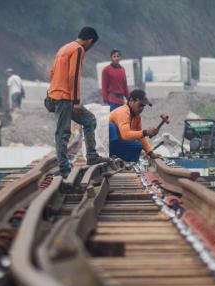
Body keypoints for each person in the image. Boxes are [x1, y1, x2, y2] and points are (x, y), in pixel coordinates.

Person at [47, 26, 109, 177]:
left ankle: (92, 156)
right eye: (91, 45)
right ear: (89, 41)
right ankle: (64, 169)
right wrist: (75, 101)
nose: (89, 48)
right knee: (63, 133)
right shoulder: (78, 49)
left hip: (55, 95)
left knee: (89, 120)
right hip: (64, 98)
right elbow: (73, 76)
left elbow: (51, 72)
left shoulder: (64, 48)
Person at [109, 89, 165, 162]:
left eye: (143, 106)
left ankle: (127, 162)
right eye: (140, 105)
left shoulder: (137, 117)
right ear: (131, 101)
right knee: (136, 146)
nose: (141, 108)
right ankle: (116, 158)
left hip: (116, 143)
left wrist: (150, 153)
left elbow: (141, 136)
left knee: (137, 145)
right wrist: (146, 132)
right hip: (107, 144)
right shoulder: (123, 112)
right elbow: (125, 135)